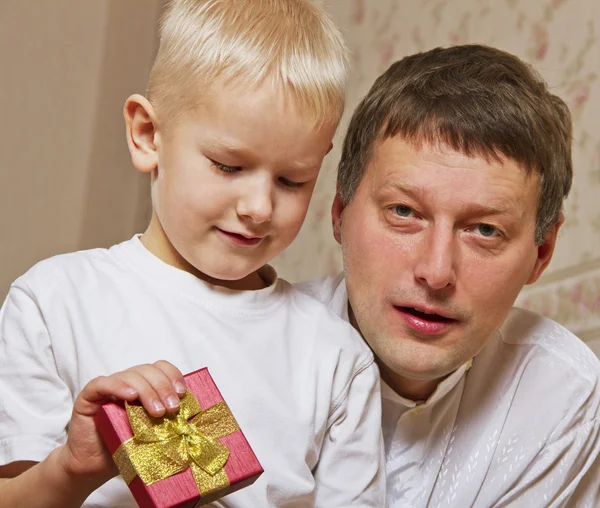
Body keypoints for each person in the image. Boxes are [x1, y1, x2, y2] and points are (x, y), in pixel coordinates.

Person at [0, 1, 385, 506]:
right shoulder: (54, 302)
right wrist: (72, 468)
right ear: (147, 135)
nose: (258, 207)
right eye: (228, 166)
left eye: (292, 180)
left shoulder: (336, 359)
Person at [299, 44, 600, 507]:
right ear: (339, 213)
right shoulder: (231, 344)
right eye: (404, 212)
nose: (436, 272)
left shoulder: (566, 400)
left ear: (542, 252)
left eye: (485, 230)